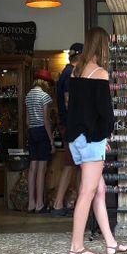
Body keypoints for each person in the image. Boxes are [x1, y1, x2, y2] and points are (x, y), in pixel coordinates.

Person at [66, 27, 127, 254]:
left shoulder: (76, 72)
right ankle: (77, 248)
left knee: (98, 190)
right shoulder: (99, 73)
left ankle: (110, 243)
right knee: (87, 193)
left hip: (78, 139)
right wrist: (104, 136)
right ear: (103, 45)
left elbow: (74, 110)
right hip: (92, 140)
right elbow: (105, 113)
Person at [51, 43, 84, 217]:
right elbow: (67, 100)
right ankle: (57, 204)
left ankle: (79, 203)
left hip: (69, 124)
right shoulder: (70, 74)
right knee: (70, 164)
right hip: (71, 125)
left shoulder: (66, 73)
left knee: (77, 165)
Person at [24, 70, 55, 213]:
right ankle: (39, 204)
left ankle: (30, 203)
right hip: (43, 131)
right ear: (45, 83)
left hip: (32, 131)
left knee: (32, 168)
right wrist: (51, 141)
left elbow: (28, 120)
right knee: (41, 170)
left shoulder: (28, 96)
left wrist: (32, 130)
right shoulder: (45, 97)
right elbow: (46, 120)